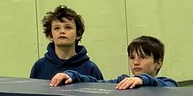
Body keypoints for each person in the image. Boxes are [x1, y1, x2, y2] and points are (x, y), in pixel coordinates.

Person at [49, 34, 177, 88]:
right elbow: (95, 83)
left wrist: (142, 80)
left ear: (158, 63)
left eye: (142, 57)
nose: (136, 62)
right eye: (132, 57)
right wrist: (71, 75)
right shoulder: (122, 81)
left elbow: (170, 86)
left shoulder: (167, 83)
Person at [30, 6, 103, 82]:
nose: (62, 31)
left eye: (68, 27)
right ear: (50, 35)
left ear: (78, 34)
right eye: (57, 28)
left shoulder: (90, 68)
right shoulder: (39, 66)